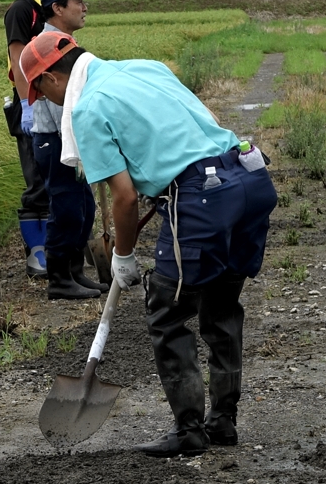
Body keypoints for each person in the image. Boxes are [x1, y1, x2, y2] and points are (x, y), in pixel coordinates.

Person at [19, 32, 278, 457]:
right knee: (221, 304)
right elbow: (206, 121)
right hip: (248, 176)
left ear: (50, 80)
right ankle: (224, 422)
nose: (47, 100)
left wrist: (122, 256)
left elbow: (122, 197)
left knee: (167, 310)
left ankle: (190, 430)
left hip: (202, 196)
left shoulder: (88, 108)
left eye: (41, 92)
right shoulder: (145, 66)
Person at [31, 0, 109, 300]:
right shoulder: (48, 46)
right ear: (58, 8)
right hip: (55, 138)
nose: (84, 6)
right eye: (77, 1)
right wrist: (74, 140)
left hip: (68, 137)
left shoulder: (65, 42)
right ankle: (59, 279)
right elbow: (57, 99)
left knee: (83, 208)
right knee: (65, 208)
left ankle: (76, 272)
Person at [3, 0, 64, 278]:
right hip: (32, 102)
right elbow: (18, 59)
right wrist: (28, 106)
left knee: (60, 175)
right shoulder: (22, 10)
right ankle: (36, 253)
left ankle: (59, 248)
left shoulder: (58, 7)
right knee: (37, 178)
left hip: (58, 101)